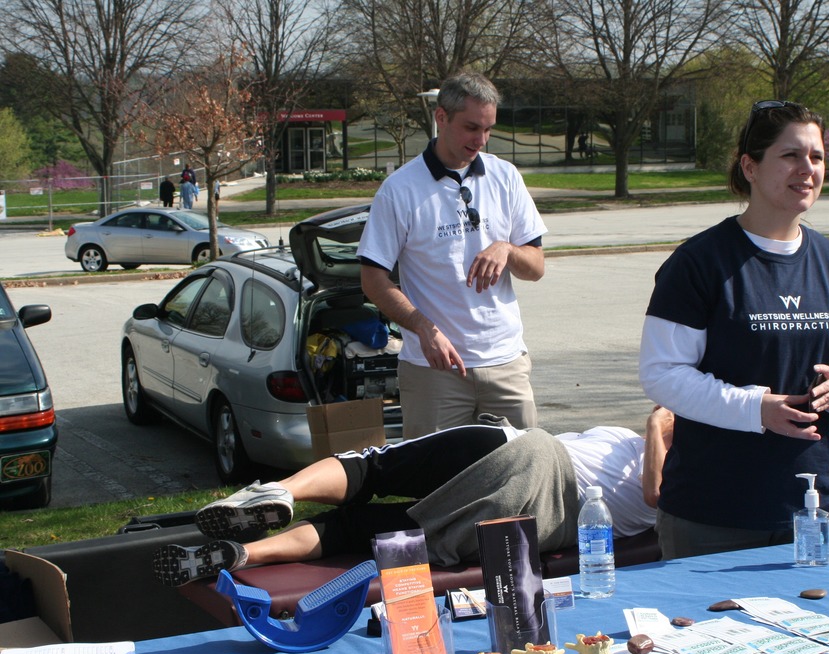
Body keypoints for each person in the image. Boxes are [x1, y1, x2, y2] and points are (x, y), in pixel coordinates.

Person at [638, 100, 829, 561]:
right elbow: (662, 373)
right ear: (750, 167)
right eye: (790, 155)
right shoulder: (699, 264)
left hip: (821, 509)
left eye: (816, 156)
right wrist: (756, 409)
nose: (807, 168)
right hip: (715, 517)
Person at [151, 409, 670, 587]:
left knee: (375, 465)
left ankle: (275, 493)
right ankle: (245, 554)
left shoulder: (677, 476)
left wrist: (655, 427)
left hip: (533, 463)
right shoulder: (645, 449)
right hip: (517, 528)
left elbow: (657, 492)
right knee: (360, 529)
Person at [357, 72, 547, 439]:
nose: (481, 140)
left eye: (489, 129)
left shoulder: (505, 177)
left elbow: (536, 266)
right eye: (471, 128)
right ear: (441, 117)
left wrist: (507, 249)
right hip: (434, 373)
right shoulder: (399, 190)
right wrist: (423, 328)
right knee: (438, 486)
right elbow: (373, 280)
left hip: (505, 363)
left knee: (522, 476)